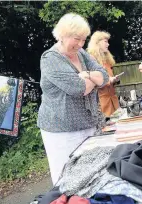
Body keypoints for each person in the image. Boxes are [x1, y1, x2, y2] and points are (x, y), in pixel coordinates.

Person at [37, 13, 109, 185]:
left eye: (84, 40)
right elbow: (78, 88)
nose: (81, 44)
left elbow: (104, 77)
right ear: (62, 35)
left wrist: (86, 75)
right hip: (62, 130)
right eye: (77, 39)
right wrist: (90, 80)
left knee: (92, 174)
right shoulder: (50, 59)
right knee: (67, 178)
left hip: (88, 124)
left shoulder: (81, 53)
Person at [87, 31, 120, 118]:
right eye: (105, 42)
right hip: (101, 103)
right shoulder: (91, 60)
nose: (108, 44)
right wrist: (109, 81)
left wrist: (115, 80)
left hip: (113, 101)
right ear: (97, 43)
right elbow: (92, 81)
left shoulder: (106, 59)